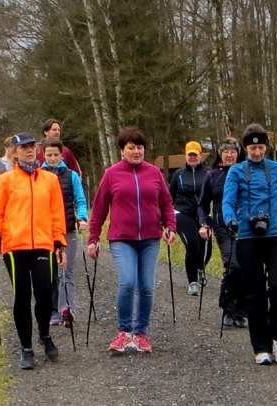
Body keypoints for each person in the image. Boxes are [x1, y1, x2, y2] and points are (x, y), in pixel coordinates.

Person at [87, 126, 176, 353]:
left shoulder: (154, 173)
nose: (136, 152)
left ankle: (141, 333)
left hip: (150, 238)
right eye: (131, 148)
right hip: (121, 238)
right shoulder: (111, 174)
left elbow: (166, 203)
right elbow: (99, 210)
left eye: (139, 147)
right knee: (128, 282)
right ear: (122, 151)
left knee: (146, 286)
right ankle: (124, 332)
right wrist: (93, 239)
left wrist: (170, 227)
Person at [0, 132, 68, 370]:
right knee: (22, 295)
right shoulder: (7, 180)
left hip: (43, 244)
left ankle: (44, 335)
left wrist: (59, 242)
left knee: (43, 293)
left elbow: (57, 214)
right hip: (14, 246)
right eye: (24, 147)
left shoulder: (50, 180)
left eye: (33, 147)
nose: (30, 150)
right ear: (15, 151)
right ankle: (26, 348)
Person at [222, 123, 277, 365]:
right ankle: (261, 346)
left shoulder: (276, 169)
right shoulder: (236, 172)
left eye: (261, 147)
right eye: (253, 148)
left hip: (275, 234)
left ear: (266, 148)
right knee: (254, 293)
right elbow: (228, 202)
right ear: (246, 148)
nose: (257, 152)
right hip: (247, 237)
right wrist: (230, 221)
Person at [197, 138, 247, 328]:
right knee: (232, 264)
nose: (229, 155)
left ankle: (240, 311)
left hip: (244, 226)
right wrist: (204, 223)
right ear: (220, 154)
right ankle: (228, 308)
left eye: (232, 152)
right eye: (225, 151)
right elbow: (202, 204)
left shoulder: (245, 173)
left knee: (245, 266)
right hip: (222, 226)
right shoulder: (212, 176)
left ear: (238, 154)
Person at [40, 137, 89, 327]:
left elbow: (80, 200)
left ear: (62, 155)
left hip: (68, 229)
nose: (52, 158)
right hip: (44, 232)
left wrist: (82, 217)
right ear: (44, 155)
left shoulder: (71, 176)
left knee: (66, 272)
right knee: (49, 273)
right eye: (49, 154)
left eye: (56, 154)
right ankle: (53, 310)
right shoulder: (38, 175)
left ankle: (68, 309)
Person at [169, 140, 212, 296]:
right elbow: (169, 197)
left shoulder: (208, 172)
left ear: (200, 155)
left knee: (206, 248)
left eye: (195, 154)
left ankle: (201, 269)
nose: (193, 158)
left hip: (203, 214)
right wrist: (166, 221)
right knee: (193, 245)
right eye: (190, 155)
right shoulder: (178, 174)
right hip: (182, 213)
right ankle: (192, 282)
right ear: (185, 156)